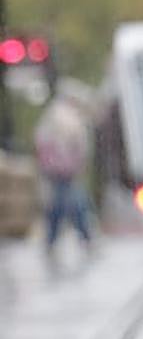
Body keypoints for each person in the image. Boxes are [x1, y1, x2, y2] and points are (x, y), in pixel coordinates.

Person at [35, 82, 95, 254]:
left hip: (57, 168)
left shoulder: (52, 115)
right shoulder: (68, 117)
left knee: (61, 204)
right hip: (64, 169)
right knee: (72, 203)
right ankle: (83, 237)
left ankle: (54, 239)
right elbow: (78, 145)